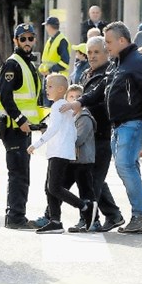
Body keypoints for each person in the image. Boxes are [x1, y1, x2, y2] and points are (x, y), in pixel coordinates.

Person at [62, 21, 142, 234]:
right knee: (128, 167)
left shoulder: (139, 62)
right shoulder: (117, 64)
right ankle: (135, 216)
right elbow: (100, 91)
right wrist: (80, 102)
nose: (106, 47)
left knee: (126, 167)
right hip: (119, 125)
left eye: (108, 42)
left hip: (133, 123)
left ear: (122, 40)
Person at [29, 75, 96, 234]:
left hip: (59, 152)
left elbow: (53, 129)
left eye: (50, 86)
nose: (47, 89)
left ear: (60, 89)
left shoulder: (59, 105)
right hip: (58, 151)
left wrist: (36, 144)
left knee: (54, 187)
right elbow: (71, 131)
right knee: (49, 188)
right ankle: (55, 221)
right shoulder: (65, 106)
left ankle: (85, 207)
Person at [0, 23, 44, 230]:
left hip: (22, 128)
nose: (27, 42)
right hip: (13, 127)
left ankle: (17, 215)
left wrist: (38, 123)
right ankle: (15, 217)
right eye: (22, 39)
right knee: (18, 174)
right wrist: (21, 120)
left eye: (30, 38)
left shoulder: (27, 63)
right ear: (15, 41)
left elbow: (31, 100)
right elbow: (6, 98)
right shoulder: (13, 64)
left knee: (22, 173)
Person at [78, 36, 125, 232]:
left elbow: (99, 102)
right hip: (86, 135)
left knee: (92, 181)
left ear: (107, 52)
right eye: (89, 52)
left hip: (102, 134)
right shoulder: (85, 74)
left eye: (97, 52)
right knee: (91, 177)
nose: (92, 56)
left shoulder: (110, 73)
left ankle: (89, 220)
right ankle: (113, 215)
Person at [64, 84, 98, 232]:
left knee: (86, 192)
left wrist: (61, 138)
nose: (74, 100)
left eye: (78, 97)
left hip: (83, 161)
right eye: (71, 97)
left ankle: (91, 220)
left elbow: (78, 140)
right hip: (72, 160)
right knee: (60, 188)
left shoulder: (84, 117)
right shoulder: (69, 117)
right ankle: (50, 215)